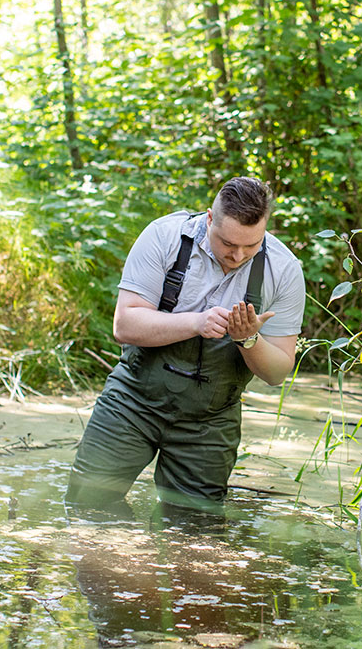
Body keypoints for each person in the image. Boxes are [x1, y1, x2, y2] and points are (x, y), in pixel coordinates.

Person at [66, 177, 305, 515]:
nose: (238, 256)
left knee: (193, 529)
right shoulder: (163, 236)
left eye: (251, 246)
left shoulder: (284, 270)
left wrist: (248, 339)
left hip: (210, 420)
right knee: (87, 506)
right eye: (227, 243)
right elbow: (125, 324)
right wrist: (196, 322)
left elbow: (278, 372)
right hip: (133, 400)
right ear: (209, 219)